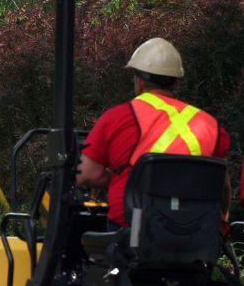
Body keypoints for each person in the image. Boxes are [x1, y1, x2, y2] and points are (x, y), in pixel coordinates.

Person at [77, 38, 230, 228]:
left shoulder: (118, 118)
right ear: (175, 83)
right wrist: (221, 222)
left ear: (139, 81)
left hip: (133, 230)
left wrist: (129, 182)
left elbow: (87, 174)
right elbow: (221, 185)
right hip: (194, 233)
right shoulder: (211, 125)